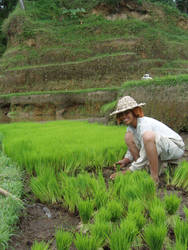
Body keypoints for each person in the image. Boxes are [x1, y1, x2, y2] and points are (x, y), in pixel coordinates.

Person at [110, 96, 185, 183]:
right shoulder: (130, 128)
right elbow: (135, 145)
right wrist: (126, 159)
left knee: (148, 136)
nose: (124, 116)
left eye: (127, 113)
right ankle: (143, 173)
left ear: (134, 111)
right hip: (161, 148)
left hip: (175, 147)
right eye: (121, 114)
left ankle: (154, 178)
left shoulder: (144, 124)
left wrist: (128, 171)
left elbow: (145, 152)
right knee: (128, 137)